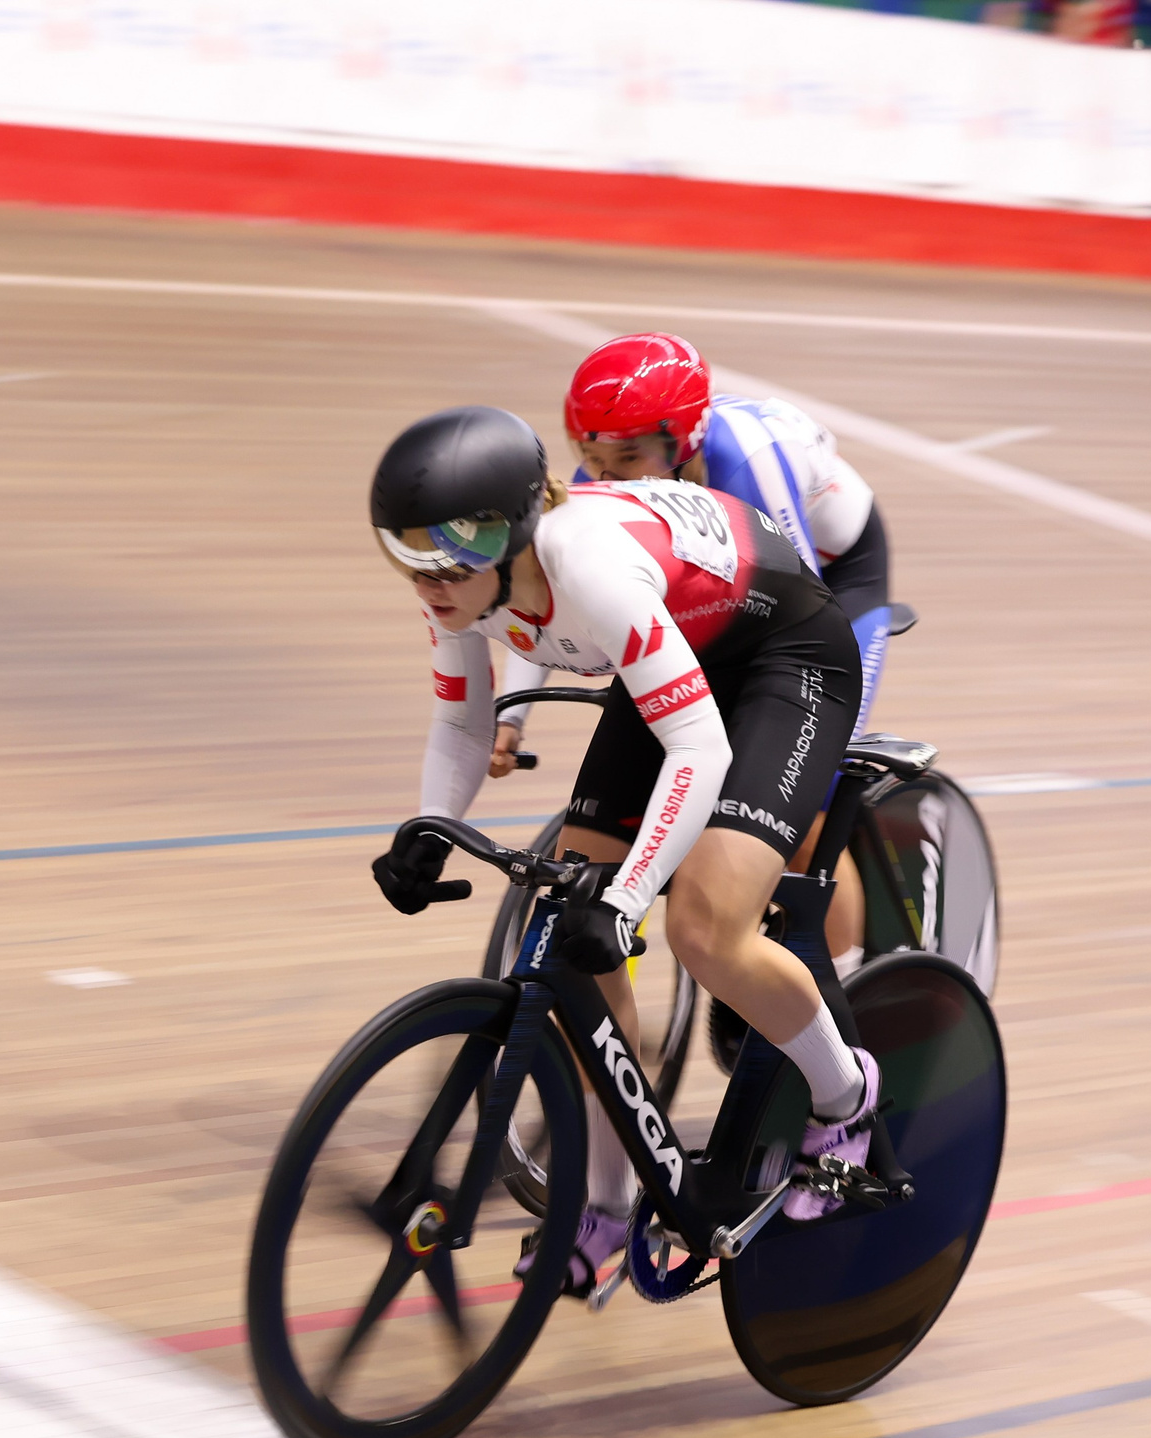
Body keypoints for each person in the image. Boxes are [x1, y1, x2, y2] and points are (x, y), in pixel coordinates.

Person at [366, 404, 878, 1294]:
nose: (431, 583)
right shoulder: (461, 581)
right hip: (679, 647)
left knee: (705, 927)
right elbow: (461, 720)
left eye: (449, 562)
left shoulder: (589, 570)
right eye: (408, 557)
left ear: (518, 535)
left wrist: (630, 897)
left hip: (783, 660)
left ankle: (846, 1095)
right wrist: (428, 829)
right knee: (580, 955)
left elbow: (701, 751)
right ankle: (603, 1208)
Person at [495, 332, 891, 980]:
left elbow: (799, 601)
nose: (607, 476)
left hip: (834, 578)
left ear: (688, 442)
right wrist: (513, 719)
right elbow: (541, 589)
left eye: (629, 456)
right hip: (722, 581)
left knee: (807, 804)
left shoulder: (753, 464)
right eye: (591, 457)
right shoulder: (608, 475)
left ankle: (844, 978)